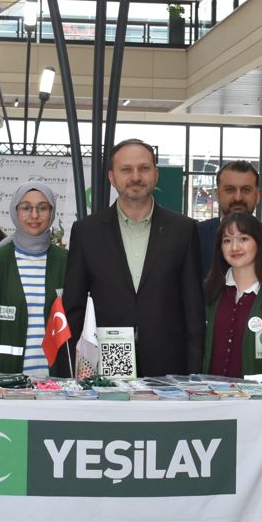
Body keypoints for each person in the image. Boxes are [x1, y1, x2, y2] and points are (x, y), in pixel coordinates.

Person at [64, 140, 203, 377]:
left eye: (144, 168)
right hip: (109, 359)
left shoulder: (184, 230)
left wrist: (194, 373)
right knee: (115, 414)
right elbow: (73, 308)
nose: (135, 177)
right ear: (112, 176)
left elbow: (194, 310)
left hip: (169, 365)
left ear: (156, 174)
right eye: (126, 170)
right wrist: (73, 372)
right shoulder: (87, 232)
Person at [0, 181, 67, 378]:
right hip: (8, 383)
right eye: (26, 208)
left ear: (52, 212)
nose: (34, 215)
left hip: (58, 383)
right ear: (15, 211)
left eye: (43, 208)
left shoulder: (66, 262)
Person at [202, 212, 262, 393]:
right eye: (227, 240)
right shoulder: (208, 293)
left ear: (258, 244)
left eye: (243, 238)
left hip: (257, 406)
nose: (235, 247)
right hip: (209, 401)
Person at [197, 161, 262, 276]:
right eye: (230, 190)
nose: (238, 197)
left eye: (246, 190)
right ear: (218, 194)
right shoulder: (196, 236)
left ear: (257, 196)